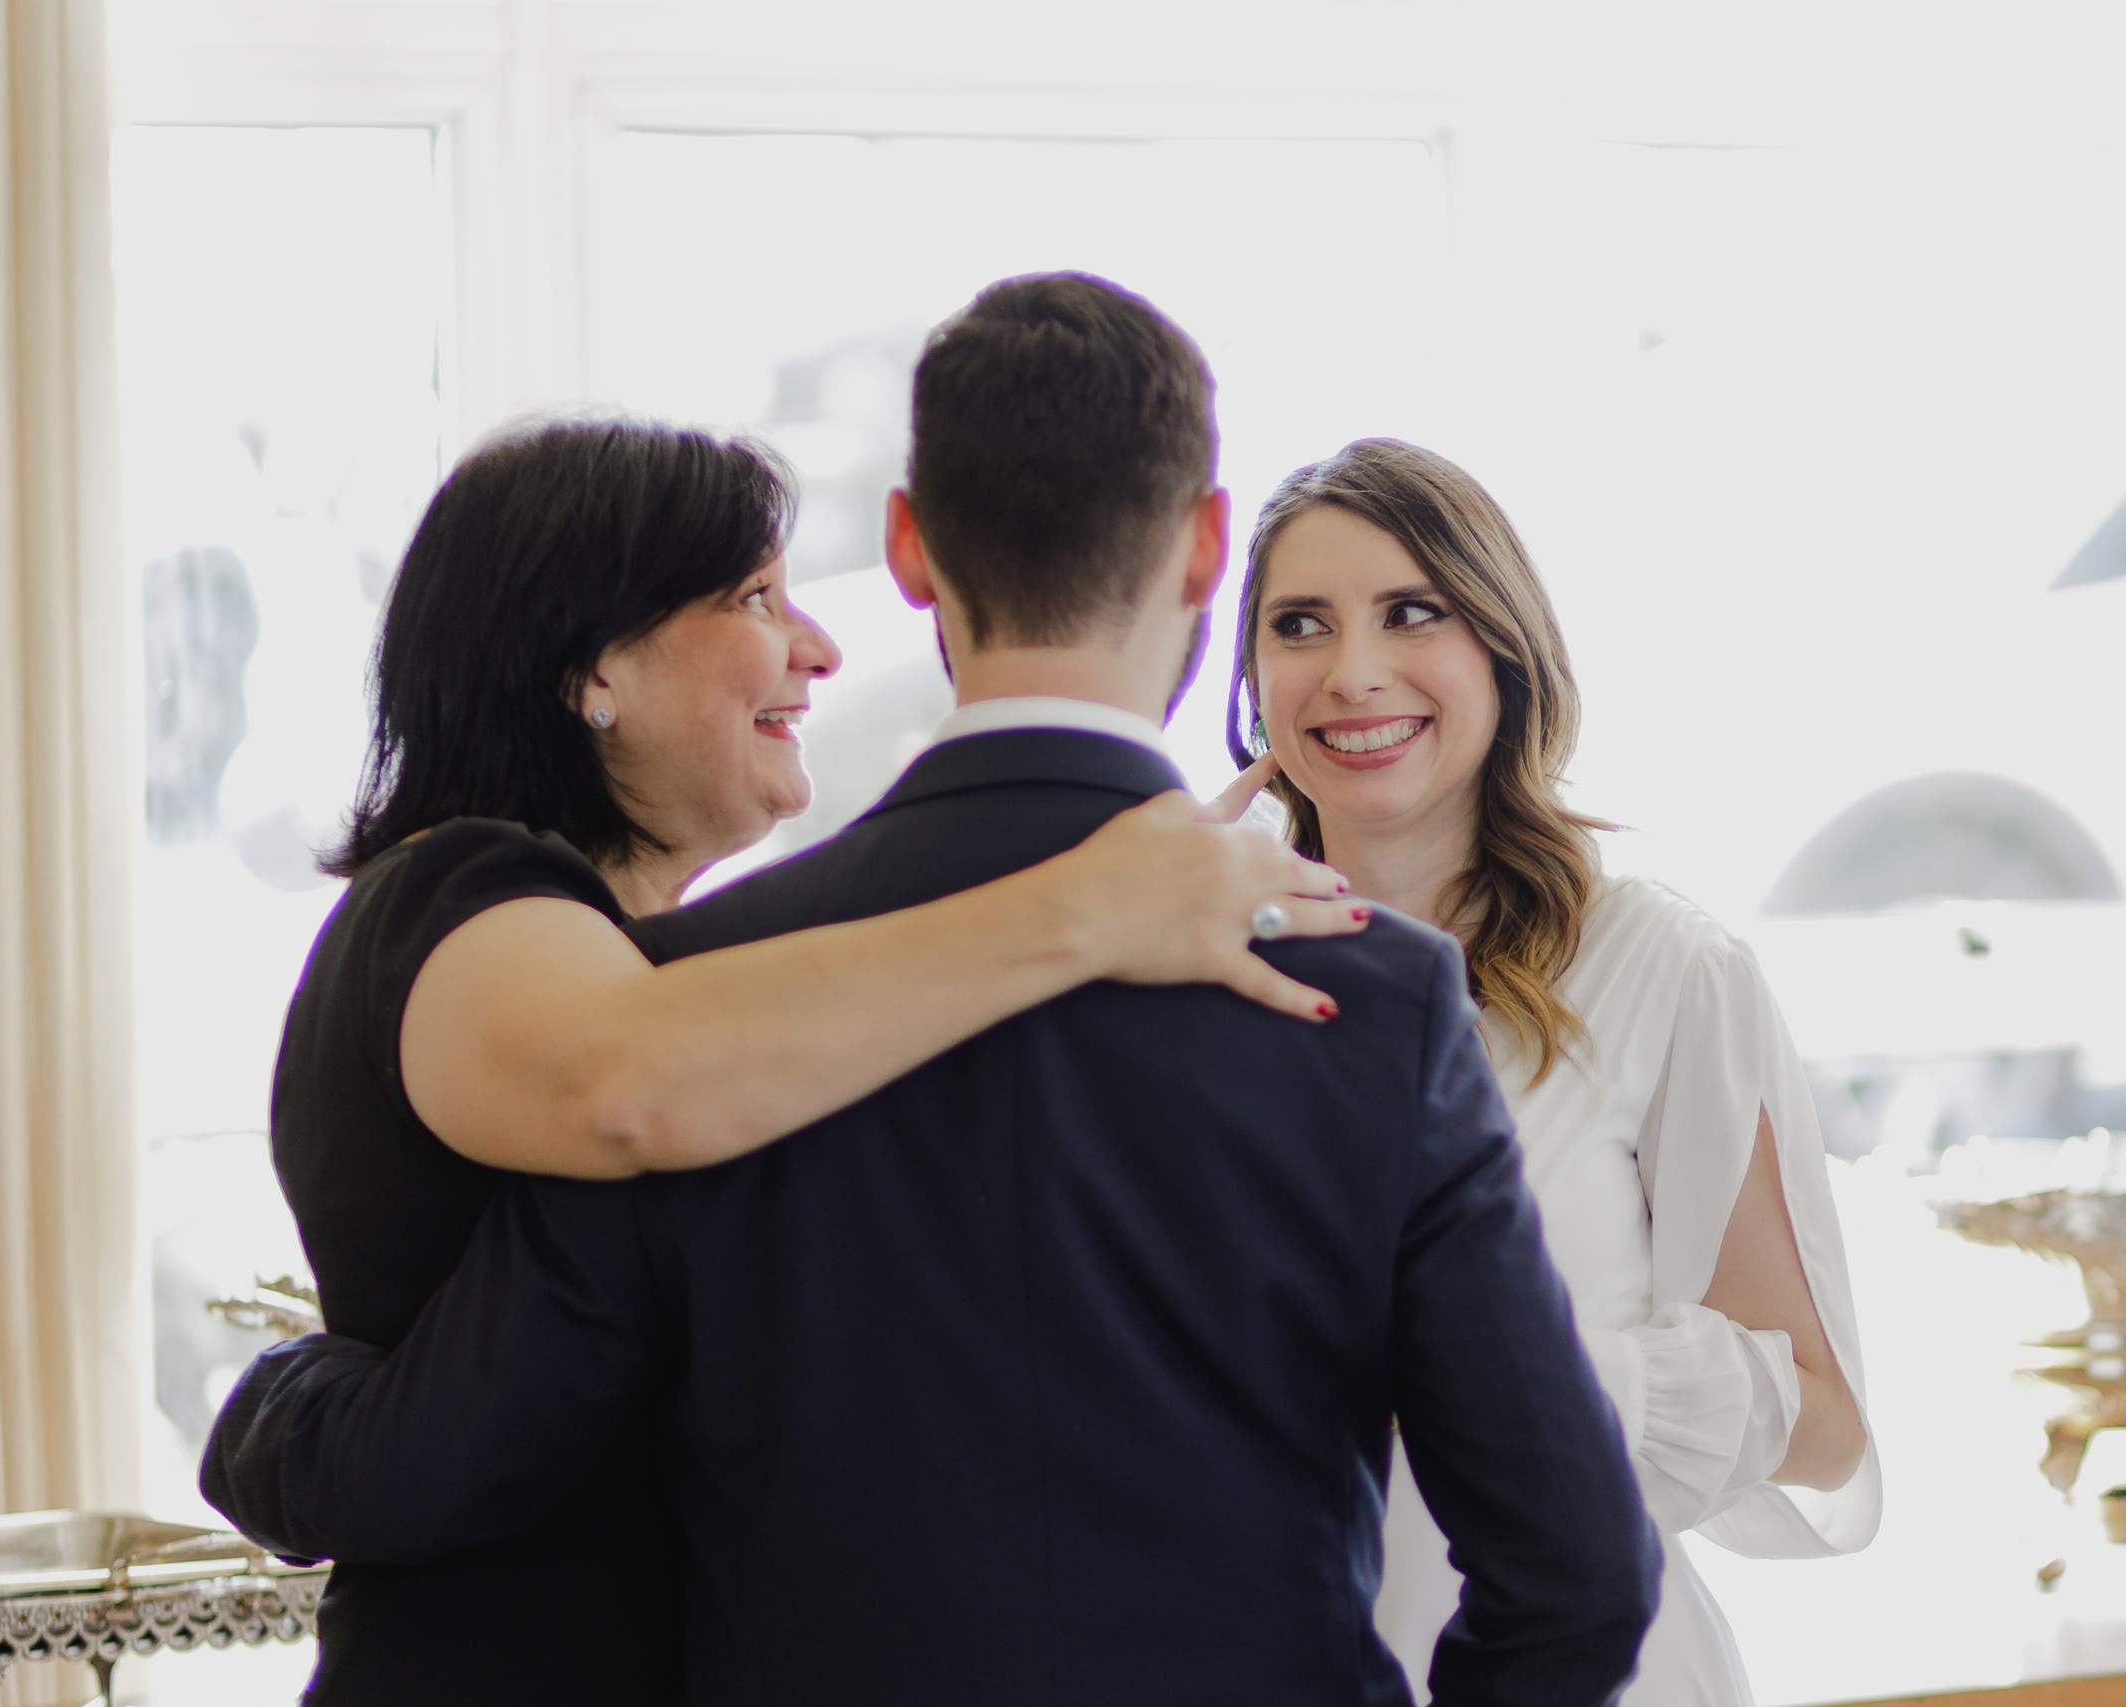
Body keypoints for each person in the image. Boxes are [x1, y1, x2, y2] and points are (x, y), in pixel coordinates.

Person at [205, 273, 1663, 1707]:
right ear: (1209, 549)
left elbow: (466, 1438)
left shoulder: (688, 990)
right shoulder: (1379, 997)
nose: (812, 639)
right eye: (757, 594)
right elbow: (1577, 1577)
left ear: (908, 547)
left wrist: (278, 1406)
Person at [264, 413, 1376, 1704]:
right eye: (754, 598)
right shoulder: (459, 893)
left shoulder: (653, 962)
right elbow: (634, 1086)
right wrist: (1089, 903)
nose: (821, 646)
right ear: (590, 666)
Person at [1224, 437, 1879, 1706]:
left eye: (1411, 612)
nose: (1352, 672)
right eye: (1299, 624)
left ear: (1504, 649)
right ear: (1252, 680)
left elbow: (1822, 1422)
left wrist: (1507, 1378)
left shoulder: (1663, 966)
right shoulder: (1203, 972)